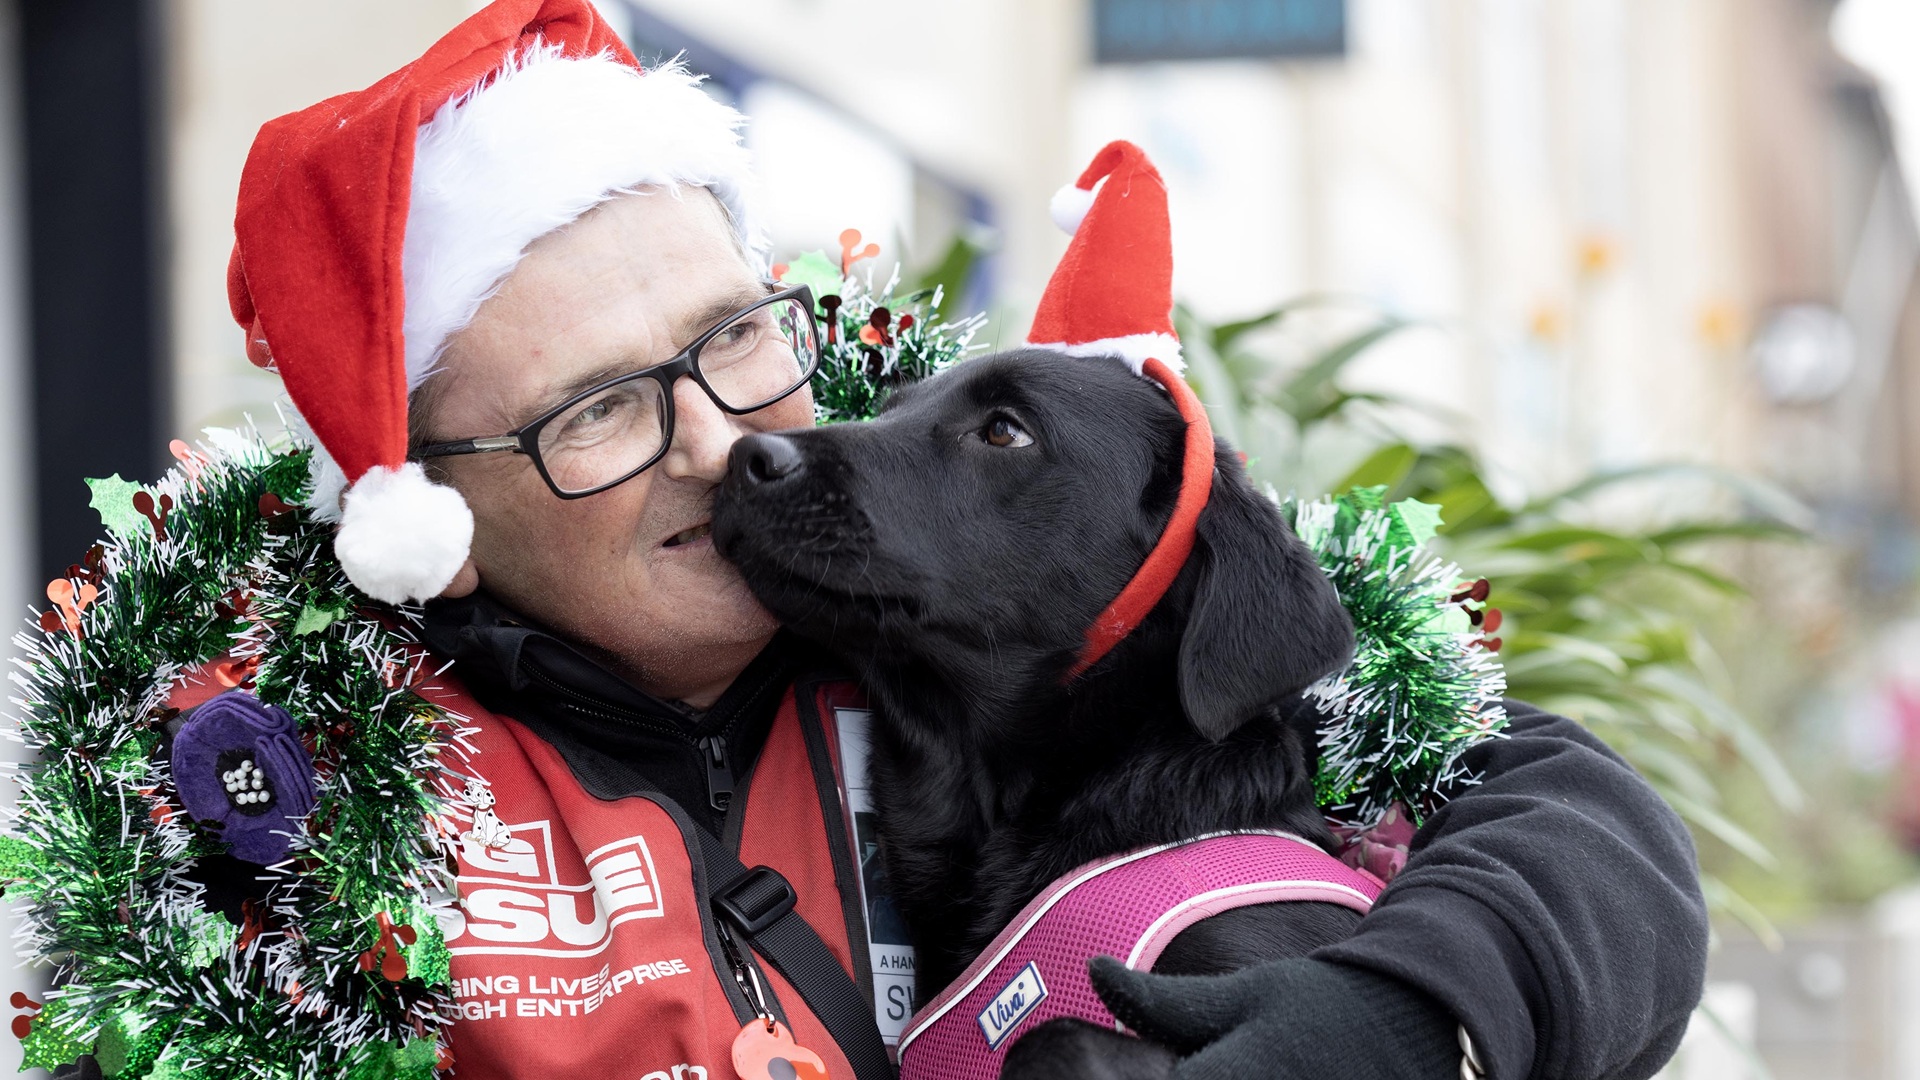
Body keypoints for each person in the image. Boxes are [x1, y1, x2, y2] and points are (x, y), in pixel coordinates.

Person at [223, 1, 1710, 1078]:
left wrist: (1415, 1010)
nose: (725, 445)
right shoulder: (284, 825)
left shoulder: (949, 607)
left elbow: (1569, 811)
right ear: (435, 524)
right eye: (597, 412)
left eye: (734, 338)